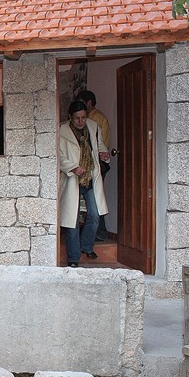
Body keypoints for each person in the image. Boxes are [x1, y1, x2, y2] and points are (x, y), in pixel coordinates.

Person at [59, 100, 110, 267]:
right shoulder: (62, 131)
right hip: (73, 178)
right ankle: (73, 257)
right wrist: (72, 167)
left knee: (94, 215)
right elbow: (58, 155)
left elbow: (100, 147)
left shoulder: (94, 127)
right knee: (72, 218)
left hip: (89, 177)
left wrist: (104, 154)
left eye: (83, 117)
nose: (81, 121)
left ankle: (86, 245)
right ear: (70, 118)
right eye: (76, 118)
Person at [76, 90, 110, 241]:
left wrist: (102, 156)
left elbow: (99, 145)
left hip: (96, 165)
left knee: (94, 202)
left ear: (88, 102)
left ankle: (99, 233)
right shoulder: (93, 118)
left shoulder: (96, 120)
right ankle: (92, 235)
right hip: (88, 166)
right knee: (90, 202)